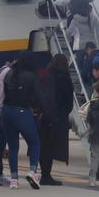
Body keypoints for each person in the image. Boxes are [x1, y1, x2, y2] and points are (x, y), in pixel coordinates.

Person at [0, 52, 44, 189]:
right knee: (34, 142)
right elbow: (38, 96)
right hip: (22, 111)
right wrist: (41, 109)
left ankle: (14, 179)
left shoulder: (9, 74)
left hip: (6, 111)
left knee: (13, 147)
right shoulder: (32, 76)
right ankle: (32, 171)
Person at [39, 53, 73, 186]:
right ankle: (46, 175)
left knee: (44, 146)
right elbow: (68, 101)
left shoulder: (46, 76)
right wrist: (63, 113)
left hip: (44, 116)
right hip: (58, 116)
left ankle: (43, 173)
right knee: (52, 147)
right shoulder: (64, 78)